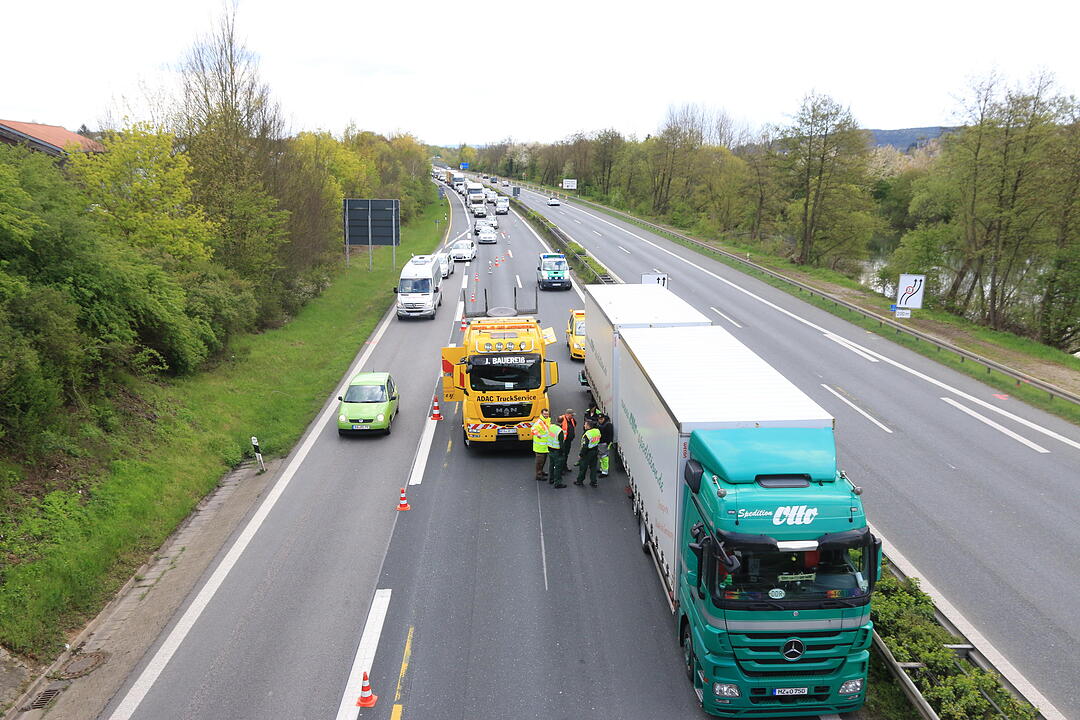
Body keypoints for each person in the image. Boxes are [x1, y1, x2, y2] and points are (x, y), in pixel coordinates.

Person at [575, 419, 602, 487]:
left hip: (587, 453)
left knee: (583, 467)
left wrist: (581, 454)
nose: (584, 425)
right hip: (595, 450)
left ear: (588, 426)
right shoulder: (597, 431)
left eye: (585, 424)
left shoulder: (587, 434)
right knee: (593, 467)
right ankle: (593, 482)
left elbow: (585, 446)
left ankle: (579, 481)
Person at [555, 408, 577, 477]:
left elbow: (574, 425)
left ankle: (565, 466)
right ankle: (561, 469)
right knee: (562, 455)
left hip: (568, 441)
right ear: (567, 414)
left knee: (566, 454)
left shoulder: (571, 419)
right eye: (572, 415)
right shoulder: (562, 419)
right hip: (563, 441)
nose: (573, 416)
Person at [531, 408, 551, 481]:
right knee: (539, 462)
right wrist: (538, 434)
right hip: (539, 447)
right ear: (542, 414)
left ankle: (541, 471)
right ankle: (538, 475)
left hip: (545, 447)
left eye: (547, 414)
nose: (546, 415)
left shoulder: (547, 420)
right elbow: (533, 429)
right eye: (545, 414)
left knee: (543, 461)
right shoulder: (539, 422)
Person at [547, 421, 566, 488]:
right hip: (557, 451)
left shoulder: (551, 427)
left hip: (550, 449)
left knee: (551, 465)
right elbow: (561, 444)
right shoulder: (560, 431)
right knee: (558, 467)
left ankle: (551, 479)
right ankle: (557, 483)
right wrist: (563, 452)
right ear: (561, 424)